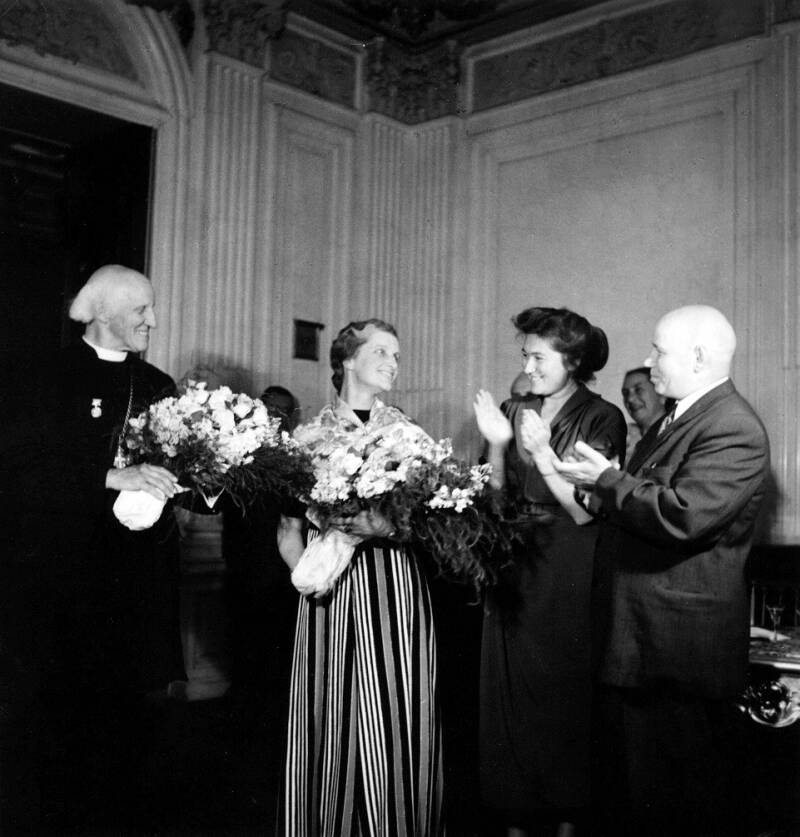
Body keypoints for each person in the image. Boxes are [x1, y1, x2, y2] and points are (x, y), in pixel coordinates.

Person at [553, 305, 770, 837]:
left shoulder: (733, 425)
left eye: (659, 350)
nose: (648, 362)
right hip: (642, 645)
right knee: (637, 800)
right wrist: (596, 484)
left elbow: (683, 517)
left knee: (676, 806)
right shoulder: (677, 417)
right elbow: (637, 504)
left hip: (675, 652)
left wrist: (608, 480)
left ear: (698, 358)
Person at [0, 264, 185, 834]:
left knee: (131, 737)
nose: (153, 321)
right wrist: (110, 477)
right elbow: (18, 472)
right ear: (103, 314)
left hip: (134, 591)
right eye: (141, 312)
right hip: (61, 591)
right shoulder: (41, 375)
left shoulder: (158, 386)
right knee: (59, 737)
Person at [277, 319, 444, 836]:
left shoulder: (410, 435)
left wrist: (389, 525)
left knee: (397, 709)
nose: (394, 362)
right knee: (328, 712)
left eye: (397, 353)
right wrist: (312, 575)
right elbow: (286, 528)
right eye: (381, 351)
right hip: (331, 593)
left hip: (394, 589)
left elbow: (434, 523)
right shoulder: (306, 438)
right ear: (347, 359)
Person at [473, 307, 626, 837]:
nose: (529, 365)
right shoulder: (517, 406)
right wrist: (496, 443)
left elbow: (587, 510)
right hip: (513, 557)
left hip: (568, 562)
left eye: (539, 356)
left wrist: (541, 456)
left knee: (561, 690)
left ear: (574, 360)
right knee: (508, 687)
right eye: (525, 355)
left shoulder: (603, 417)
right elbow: (495, 499)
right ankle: (515, 815)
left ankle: (565, 820)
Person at [620, 365, 666, 463]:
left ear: (661, 395)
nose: (630, 399)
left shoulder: (672, 435)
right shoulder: (624, 436)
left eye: (638, 390)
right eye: (625, 393)